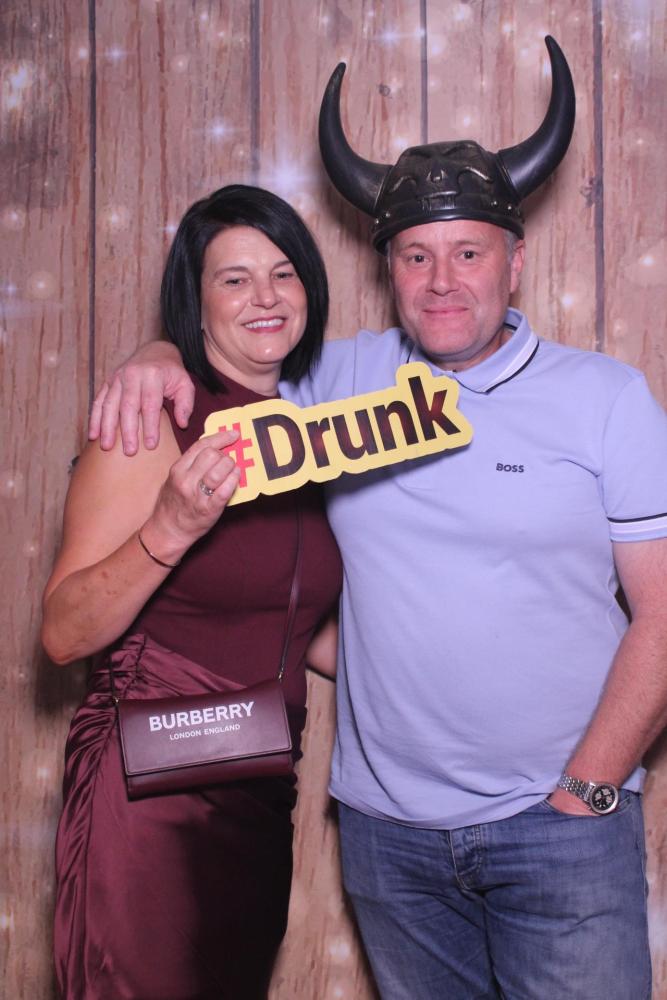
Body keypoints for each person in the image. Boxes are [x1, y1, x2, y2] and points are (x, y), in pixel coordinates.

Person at [89, 39, 667, 999]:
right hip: (388, 839)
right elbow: (227, 346)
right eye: (415, 255)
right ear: (386, 267)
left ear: (515, 262)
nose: (442, 280)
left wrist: (588, 789)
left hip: (559, 828)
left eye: (468, 253)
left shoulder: (605, 399)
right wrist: (156, 352)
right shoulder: (334, 379)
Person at [41, 184, 342, 1000]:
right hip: (153, 786)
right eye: (234, 279)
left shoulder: (309, 435)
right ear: (195, 300)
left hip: (258, 784)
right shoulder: (150, 419)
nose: (265, 297)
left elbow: (295, 622)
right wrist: (169, 530)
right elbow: (63, 632)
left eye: (283, 272)